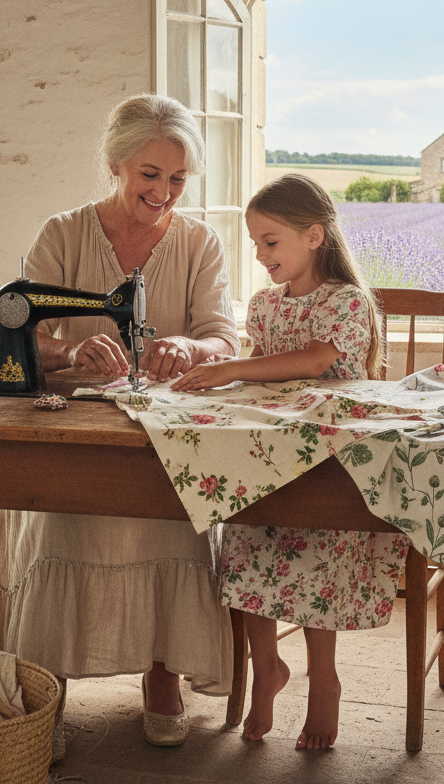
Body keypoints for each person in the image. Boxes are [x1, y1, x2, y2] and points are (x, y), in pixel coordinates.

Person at [0, 94, 240, 755]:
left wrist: (188, 349)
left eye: (178, 179)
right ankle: (47, 690)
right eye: (151, 175)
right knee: (59, 518)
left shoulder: (199, 242)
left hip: (158, 428)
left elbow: (223, 341)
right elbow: (18, 329)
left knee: (176, 517)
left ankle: (163, 676)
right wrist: (72, 351)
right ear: (116, 164)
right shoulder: (63, 233)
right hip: (67, 424)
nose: (164, 192)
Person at [172, 172, 410, 751]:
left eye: (270, 242)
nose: (260, 255)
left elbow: (313, 360)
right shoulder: (262, 306)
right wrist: (216, 382)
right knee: (247, 544)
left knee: (316, 561)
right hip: (266, 460)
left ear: (314, 236)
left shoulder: (349, 303)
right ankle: (266, 668)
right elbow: (266, 378)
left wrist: (229, 369)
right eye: (254, 243)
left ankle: (322, 677)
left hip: (328, 466)